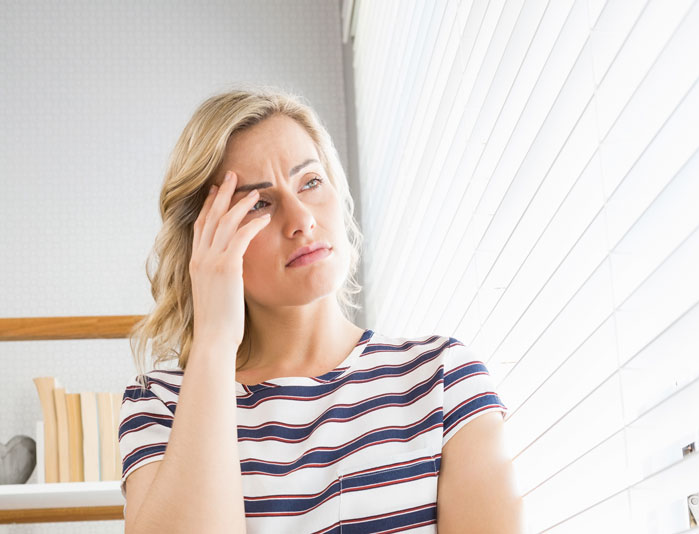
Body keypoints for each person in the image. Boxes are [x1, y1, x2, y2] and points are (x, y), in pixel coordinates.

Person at [118, 84, 524, 533]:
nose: (302, 220)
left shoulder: (442, 378)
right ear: (208, 238)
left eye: (310, 182)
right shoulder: (160, 405)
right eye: (259, 204)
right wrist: (214, 340)